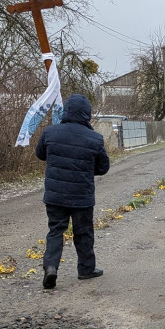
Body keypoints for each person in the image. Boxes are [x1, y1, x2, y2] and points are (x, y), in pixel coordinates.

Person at [35, 93, 110, 289]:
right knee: (83, 232)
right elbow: (103, 168)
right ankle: (86, 269)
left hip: (55, 194)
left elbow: (40, 154)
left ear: (66, 111)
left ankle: (51, 267)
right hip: (82, 196)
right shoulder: (95, 138)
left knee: (55, 231)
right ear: (87, 114)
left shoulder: (50, 132)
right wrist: (86, 168)